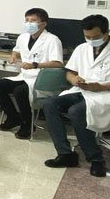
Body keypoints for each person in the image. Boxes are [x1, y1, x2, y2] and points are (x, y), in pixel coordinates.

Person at [43, 14, 110, 177]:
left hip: (104, 94)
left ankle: (96, 159)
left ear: (107, 32)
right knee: (49, 103)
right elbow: (70, 72)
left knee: (76, 111)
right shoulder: (82, 48)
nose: (91, 40)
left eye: (96, 37)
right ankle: (66, 154)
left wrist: (99, 86)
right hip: (82, 90)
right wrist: (73, 79)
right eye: (87, 37)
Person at [0, 8, 64, 139]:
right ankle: (13, 117)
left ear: (43, 24)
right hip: (25, 76)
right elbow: (16, 49)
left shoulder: (52, 40)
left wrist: (35, 65)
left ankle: (28, 125)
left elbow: (58, 63)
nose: (29, 23)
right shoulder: (23, 37)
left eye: (33, 21)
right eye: (27, 20)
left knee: (20, 91)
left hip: (41, 79)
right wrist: (13, 55)